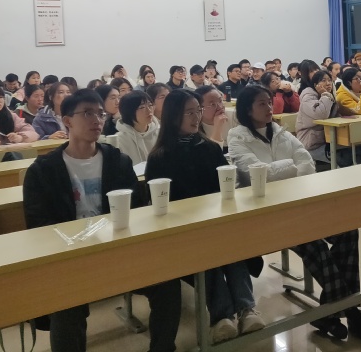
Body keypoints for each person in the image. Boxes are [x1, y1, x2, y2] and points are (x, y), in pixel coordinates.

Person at [23, 89, 181, 352]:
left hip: (119, 251)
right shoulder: (43, 171)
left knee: (168, 283)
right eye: (87, 113)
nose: (97, 119)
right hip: (70, 259)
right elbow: (38, 227)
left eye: (100, 114)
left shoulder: (117, 161)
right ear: (67, 121)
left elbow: (137, 210)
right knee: (66, 307)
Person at [227, 86, 361, 342]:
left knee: (347, 231)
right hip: (268, 214)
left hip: (301, 205)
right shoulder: (237, 138)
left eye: (269, 102)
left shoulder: (280, 131)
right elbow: (258, 173)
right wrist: (290, 167)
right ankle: (352, 312)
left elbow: (307, 163)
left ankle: (329, 313)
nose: (269, 107)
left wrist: (283, 171)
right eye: (262, 104)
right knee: (314, 245)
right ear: (247, 110)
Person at [145, 90, 263, 343]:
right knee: (207, 251)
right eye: (189, 112)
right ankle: (221, 316)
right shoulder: (159, 157)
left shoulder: (209, 148)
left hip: (217, 222)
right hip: (184, 231)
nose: (196, 117)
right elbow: (158, 204)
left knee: (233, 248)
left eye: (198, 110)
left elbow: (224, 186)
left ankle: (246, 308)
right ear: (173, 116)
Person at [296, 70, 338, 165]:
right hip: (310, 144)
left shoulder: (331, 95)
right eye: (323, 80)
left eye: (329, 80)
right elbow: (321, 115)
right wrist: (325, 95)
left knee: (352, 152)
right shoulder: (308, 98)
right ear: (315, 85)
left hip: (326, 140)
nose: (328, 83)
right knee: (342, 158)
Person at [115, 91, 159, 165]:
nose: (149, 110)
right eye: (142, 107)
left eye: (150, 105)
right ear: (129, 112)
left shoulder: (159, 133)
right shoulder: (119, 140)